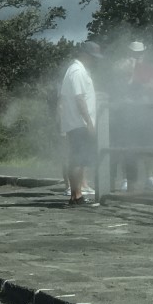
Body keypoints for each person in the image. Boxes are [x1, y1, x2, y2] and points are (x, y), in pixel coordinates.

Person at [113, 41, 153, 191]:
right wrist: (132, 71)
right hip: (127, 115)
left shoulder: (150, 67)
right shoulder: (122, 66)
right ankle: (126, 178)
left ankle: (149, 177)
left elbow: (152, 87)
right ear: (129, 53)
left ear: (144, 53)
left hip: (146, 113)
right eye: (134, 53)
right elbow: (120, 86)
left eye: (140, 53)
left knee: (148, 146)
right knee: (126, 147)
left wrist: (135, 84)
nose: (137, 56)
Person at [60, 41, 102, 207]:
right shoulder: (77, 71)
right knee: (77, 159)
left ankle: (76, 195)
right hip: (79, 123)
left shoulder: (79, 70)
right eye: (92, 56)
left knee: (79, 158)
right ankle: (76, 195)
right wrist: (89, 122)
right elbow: (79, 99)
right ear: (84, 54)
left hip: (78, 122)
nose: (94, 60)